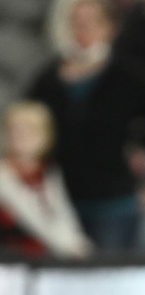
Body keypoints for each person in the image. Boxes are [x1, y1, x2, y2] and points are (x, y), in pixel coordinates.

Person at [27, 0, 145, 249]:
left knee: (105, 275)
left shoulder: (126, 74)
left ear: (109, 28)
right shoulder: (47, 82)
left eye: (92, 23)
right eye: (76, 23)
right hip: (60, 203)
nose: (83, 32)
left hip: (112, 204)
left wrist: (140, 142)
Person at [0, 100, 92, 258]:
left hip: (46, 258)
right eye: (14, 130)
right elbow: (33, 219)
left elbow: (64, 214)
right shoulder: (4, 174)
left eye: (29, 131)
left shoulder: (49, 172)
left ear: (45, 135)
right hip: (11, 262)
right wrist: (72, 248)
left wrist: (79, 243)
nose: (20, 136)